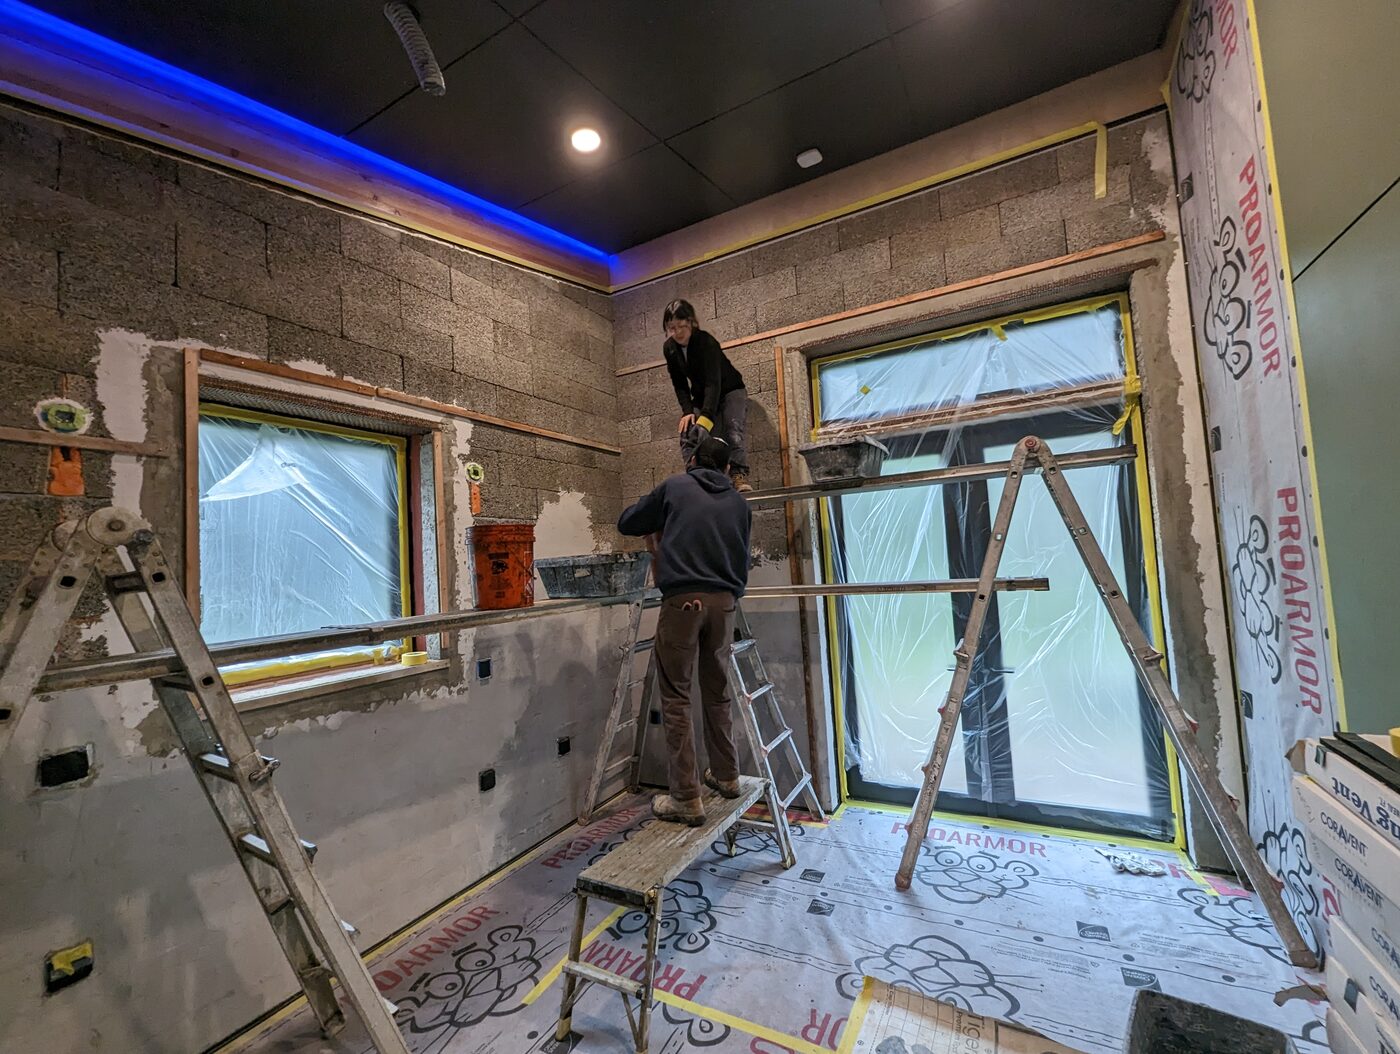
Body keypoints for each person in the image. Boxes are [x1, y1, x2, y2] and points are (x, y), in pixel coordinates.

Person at [616, 435, 752, 825]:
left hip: (684, 602)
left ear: (692, 461)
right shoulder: (739, 503)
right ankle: (727, 776)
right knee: (717, 692)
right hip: (725, 604)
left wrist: (659, 512)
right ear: (727, 468)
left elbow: (628, 522)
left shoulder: (676, 487)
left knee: (676, 698)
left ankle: (686, 798)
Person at [661, 298, 752, 492]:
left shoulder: (706, 342)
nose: (677, 333)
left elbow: (713, 382)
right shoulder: (670, 348)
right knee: (688, 430)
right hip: (702, 395)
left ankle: (738, 475)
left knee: (732, 429)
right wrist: (688, 411)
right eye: (671, 328)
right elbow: (679, 384)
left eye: (681, 326)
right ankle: (694, 477)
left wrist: (707, 417)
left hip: (730, 389)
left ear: (691, 323)